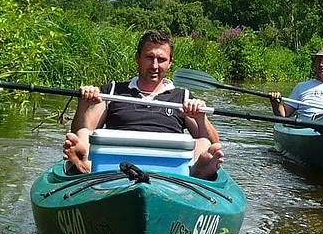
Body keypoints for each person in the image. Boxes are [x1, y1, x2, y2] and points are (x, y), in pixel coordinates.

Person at [62, 29, 224, 180]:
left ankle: (197, 170)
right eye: (149, 57)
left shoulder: (182, 97)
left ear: (170, 63)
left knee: (204, 142)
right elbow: (82, 130)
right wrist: (83, 104)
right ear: (137, 58)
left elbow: (214, 142)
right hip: (112, 165)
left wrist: (201, 118)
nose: (154, 66)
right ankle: (85, 165)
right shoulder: (112, 90)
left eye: (161, 60)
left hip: (171, 171)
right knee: (83, 133)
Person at [269, 42, 323, 121]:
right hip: (305, 130)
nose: (321, 64)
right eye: (318, 61)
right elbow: (283, 114)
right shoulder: (301, 87)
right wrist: (275, 104)